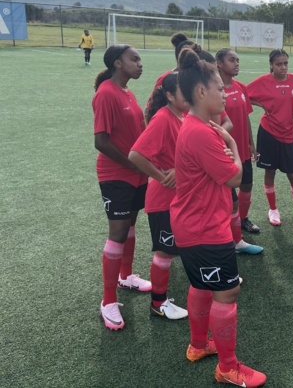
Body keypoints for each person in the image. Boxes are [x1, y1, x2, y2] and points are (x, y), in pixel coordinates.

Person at [170, 48, 266, 386]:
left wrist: (224, 143)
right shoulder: (200, 132)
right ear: (201, 92)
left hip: (192, 225)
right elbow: (235, 177)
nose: (225, 93)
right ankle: (227, 366)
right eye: (220, 89)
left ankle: (199, 345)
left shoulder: (195, 125)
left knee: (201, 286)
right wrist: (235, 147)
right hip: (205, 230)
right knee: (226, 293)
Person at [93, 45, 151, 330]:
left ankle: (126, 276)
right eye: (134, 59)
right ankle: (108, 301)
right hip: (116, 173)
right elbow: (101, 141)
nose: (140, 64)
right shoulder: (106, 92)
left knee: (130, 226)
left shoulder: (127, 91)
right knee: (117, 232)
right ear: (118, 63)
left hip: (136, 172)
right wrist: (132, 164)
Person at [128, 72, 189, 320]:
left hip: (179, 198)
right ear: (170, 96)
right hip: (164, 200)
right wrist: (162, 175)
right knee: (165, 252)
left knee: (175, 249)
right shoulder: (163, 118)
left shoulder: (182, 115)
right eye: (185, 90)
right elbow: (136, 155)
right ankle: (158, 303)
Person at [246, 49, 293, 226]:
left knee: (292, 174)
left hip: (288, 133)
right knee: (270, 172)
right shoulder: (264, 81)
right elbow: (245, 94)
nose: (283, 67)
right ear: (271, 65)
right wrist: (262, 105)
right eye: (278, 64)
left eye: (285, 63)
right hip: (268, 132)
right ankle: (273, 209)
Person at [216, 48, 264, 253]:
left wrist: (251, 144)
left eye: (237, 60)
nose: (236, 63)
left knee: (246, 188)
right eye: (231, 60)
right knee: (227, 196)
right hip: (223, 152)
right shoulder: (213, 89)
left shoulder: (241, 87)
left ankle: (242, 221)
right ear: (219, 63)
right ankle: (225, 230)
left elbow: (245, 118)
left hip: (242, 149)